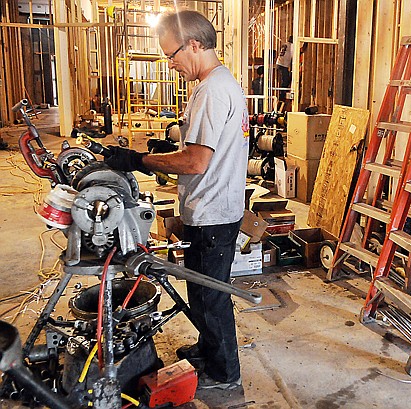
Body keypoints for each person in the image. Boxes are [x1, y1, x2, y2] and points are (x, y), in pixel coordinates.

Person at [103, 9, 249, 390]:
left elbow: (196, 160)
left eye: (172, 56)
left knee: (212, 296)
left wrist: (140, 160)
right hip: (213, 206)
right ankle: (207, 349)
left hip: (214, 211)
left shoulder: (212, 90)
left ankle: (224, 372)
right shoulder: (218, 84)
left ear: (195, 44)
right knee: (201, 292)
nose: (171, 66)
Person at [275, 36, 293, 106]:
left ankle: (283, 94)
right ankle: (282, 97)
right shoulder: (292, 46)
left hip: (279, 63)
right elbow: (299, 52)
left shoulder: (285, 44)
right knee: (285, 81)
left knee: (285, 79)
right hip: (283, 65)